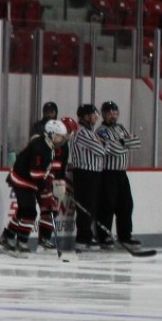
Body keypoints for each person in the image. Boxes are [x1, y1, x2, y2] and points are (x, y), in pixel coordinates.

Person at [0, 120, 67, 256]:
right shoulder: (42, 148)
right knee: (29, 212)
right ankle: (21, 243)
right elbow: (36, 173)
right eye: (60, 135)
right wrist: (46, 189)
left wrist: (47, 186)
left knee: (24, 211)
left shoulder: (47, 145)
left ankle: (7, 239)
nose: (62, 139)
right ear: (52, 134)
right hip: (22, 180)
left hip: (25, 180)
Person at [98, 100, 142, 250]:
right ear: (103, 114)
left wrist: (122, 143)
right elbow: (114, 149)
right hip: (108, 174)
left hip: (122, 173)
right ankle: (104, 237)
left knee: (126, 204)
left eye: (115, 113)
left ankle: (125, 235)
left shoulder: (121, 127)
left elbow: (137, 142)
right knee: (107, 205)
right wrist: (125, 144)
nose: (113, 116)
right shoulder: (101, 131)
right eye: (110, 113)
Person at [67, 103, 107, 250]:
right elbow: (101, 150)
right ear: (85, 117)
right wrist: (103, 144)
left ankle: (87, 236)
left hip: (93, 173)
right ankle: (82, 239)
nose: (96, 117)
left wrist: (103, 144)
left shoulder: (91, 132)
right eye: (93, 114)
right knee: (85, 206)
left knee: (91, 206)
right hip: (84, 173)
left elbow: (103, 147)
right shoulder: (82, 132)